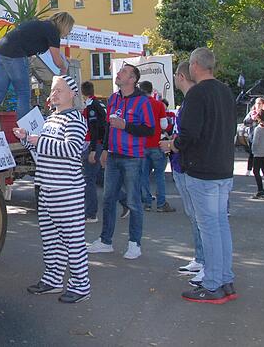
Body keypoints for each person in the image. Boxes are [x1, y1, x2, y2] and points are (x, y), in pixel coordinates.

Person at [166, 47, 236, 304]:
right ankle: (225, 279)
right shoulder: (225, 91)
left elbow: (189, 135)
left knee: (209, 228)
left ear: (195, 66)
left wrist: (173, 145)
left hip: (202, 170)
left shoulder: (197, 94)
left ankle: (213, 284)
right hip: (223, 168)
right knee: (220, 226)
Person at [14, 75, 90, 304]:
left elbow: (71, 149)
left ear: (72, 94)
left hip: (66, 190)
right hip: (47, 188)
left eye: (59, 90)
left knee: (72, 240)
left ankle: (81, 286)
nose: (53, 94)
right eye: (53, 90)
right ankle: (53, 279)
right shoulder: (52, 119)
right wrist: (28, 140)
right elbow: (43, 154)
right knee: (50, 239)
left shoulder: (75, 119)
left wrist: (36, 141)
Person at [87, 63, 154, 260]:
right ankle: (105, 241)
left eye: (123, 72)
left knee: (133, 201)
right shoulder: (113, 98)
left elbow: (149, 129)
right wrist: (105, 148)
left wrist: (126, 125)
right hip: (114, 156)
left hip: (133, 157)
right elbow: (108, 126)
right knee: (108, 199)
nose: (118, 73)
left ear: (132, 79)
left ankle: (134, 243)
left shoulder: (142, 101)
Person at [0, 12, 75, 131]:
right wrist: (64, 67)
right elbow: (56, 60)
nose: (68, 33)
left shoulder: (43, 26)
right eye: (69, 29)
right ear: (65, 25)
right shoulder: (53, 31)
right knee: (23, 94)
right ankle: (25, 134)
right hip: (15, 54)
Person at [160, 62, 204, 285]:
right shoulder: (187, 102)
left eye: (176, 75)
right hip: (179, 165)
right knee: (193, 215)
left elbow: (189, 136)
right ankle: (200, 258)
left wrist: (172, 145)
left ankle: (205, 262)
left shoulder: (193, 102)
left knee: (199, 217)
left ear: (181, 76)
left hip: (186, 165)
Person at [139, 80, 176, 213]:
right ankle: (161, 204)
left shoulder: (138, 105)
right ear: (151, 90)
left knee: (143, 175)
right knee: (159, 175)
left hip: (142, 146)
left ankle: (147, 203)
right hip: (156, 144)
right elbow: (164, 126)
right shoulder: (159, 105)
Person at [80, 81, 106, 223]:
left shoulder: (91, 107)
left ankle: (91, 213)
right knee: (100, 178)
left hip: (93, 145)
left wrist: (93, 150)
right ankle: (125, 200)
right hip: (97, 145)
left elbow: (94, 128)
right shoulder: (96, 104)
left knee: (89, 179)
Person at [250, 109, 264, 199]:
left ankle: (260, 190)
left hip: (258, 152)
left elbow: (255, 142)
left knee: (256, 171)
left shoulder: (258, 129)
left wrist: (253, 150)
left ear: (258, 118)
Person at [242, 98, 264, 176]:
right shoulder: (252, 113)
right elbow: (245, 122)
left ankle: (261, 171)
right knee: (252, 153)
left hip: (263, 137)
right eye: (256, 103)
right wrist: (252, 118)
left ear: (263, 105)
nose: (258, 105)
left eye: (259, 103)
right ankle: (249, 170)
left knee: (262, 154)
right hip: (252, 135)